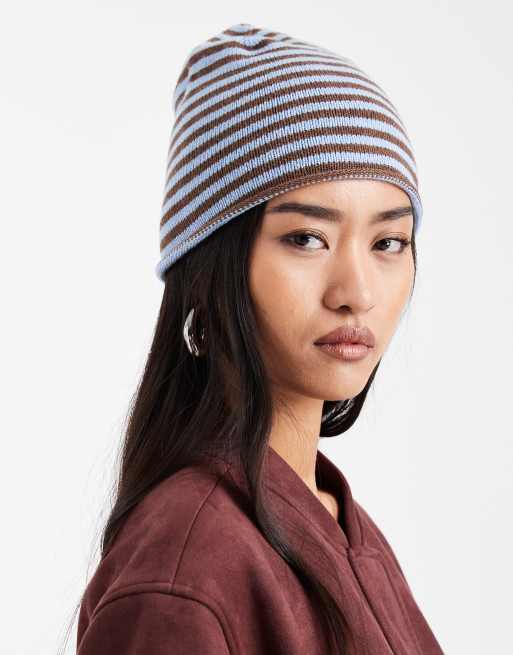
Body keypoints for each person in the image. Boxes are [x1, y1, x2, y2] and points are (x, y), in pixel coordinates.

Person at [73, 23, 445, 654]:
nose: (357, 291)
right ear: (210, 266)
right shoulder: (184, 570)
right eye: (307, 238)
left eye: (388, 242)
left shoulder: (342, 523)